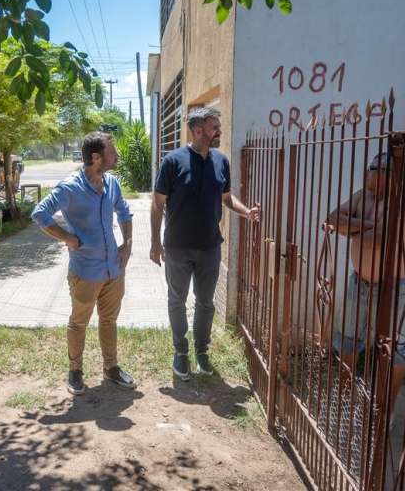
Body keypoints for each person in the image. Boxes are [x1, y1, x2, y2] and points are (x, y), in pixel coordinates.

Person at [150, 107, 260, 381]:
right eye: (215, 128)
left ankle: (201, 351)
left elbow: (226, 198)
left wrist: (246, 212)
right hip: (177, 246)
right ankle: (180, 352)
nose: (219, 132)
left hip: (210, 247)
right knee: (177, 300)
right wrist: (154, 241)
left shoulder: (221, 161)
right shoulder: (173, 162)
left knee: (206, 302)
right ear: (198, 130)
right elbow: (157, 204)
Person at [32, 132, 135, 395]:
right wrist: (67, 238)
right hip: (86, 271)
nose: (117, 156)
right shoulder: (69, 188)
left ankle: (111, 368)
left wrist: (128, 243)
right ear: (96, 157)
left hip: (113, 267)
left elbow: (124, 211)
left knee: (109, 319)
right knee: (79, 322)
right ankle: (75, 371)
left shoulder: (112, 183)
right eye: (112, 152)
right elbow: (39, 213)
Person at [325, 153, 405, 403]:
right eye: (370, 167)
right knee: (347, 341)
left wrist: (351, 229)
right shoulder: (362, 195)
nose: (368, 172)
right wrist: (369, 225)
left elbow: (380, 240)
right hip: (361, 282)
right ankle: (344, 401)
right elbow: (332, 219)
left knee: (394, 351)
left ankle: (383, 412)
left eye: (374, 168)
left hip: (395, 287)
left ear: (391, 175)